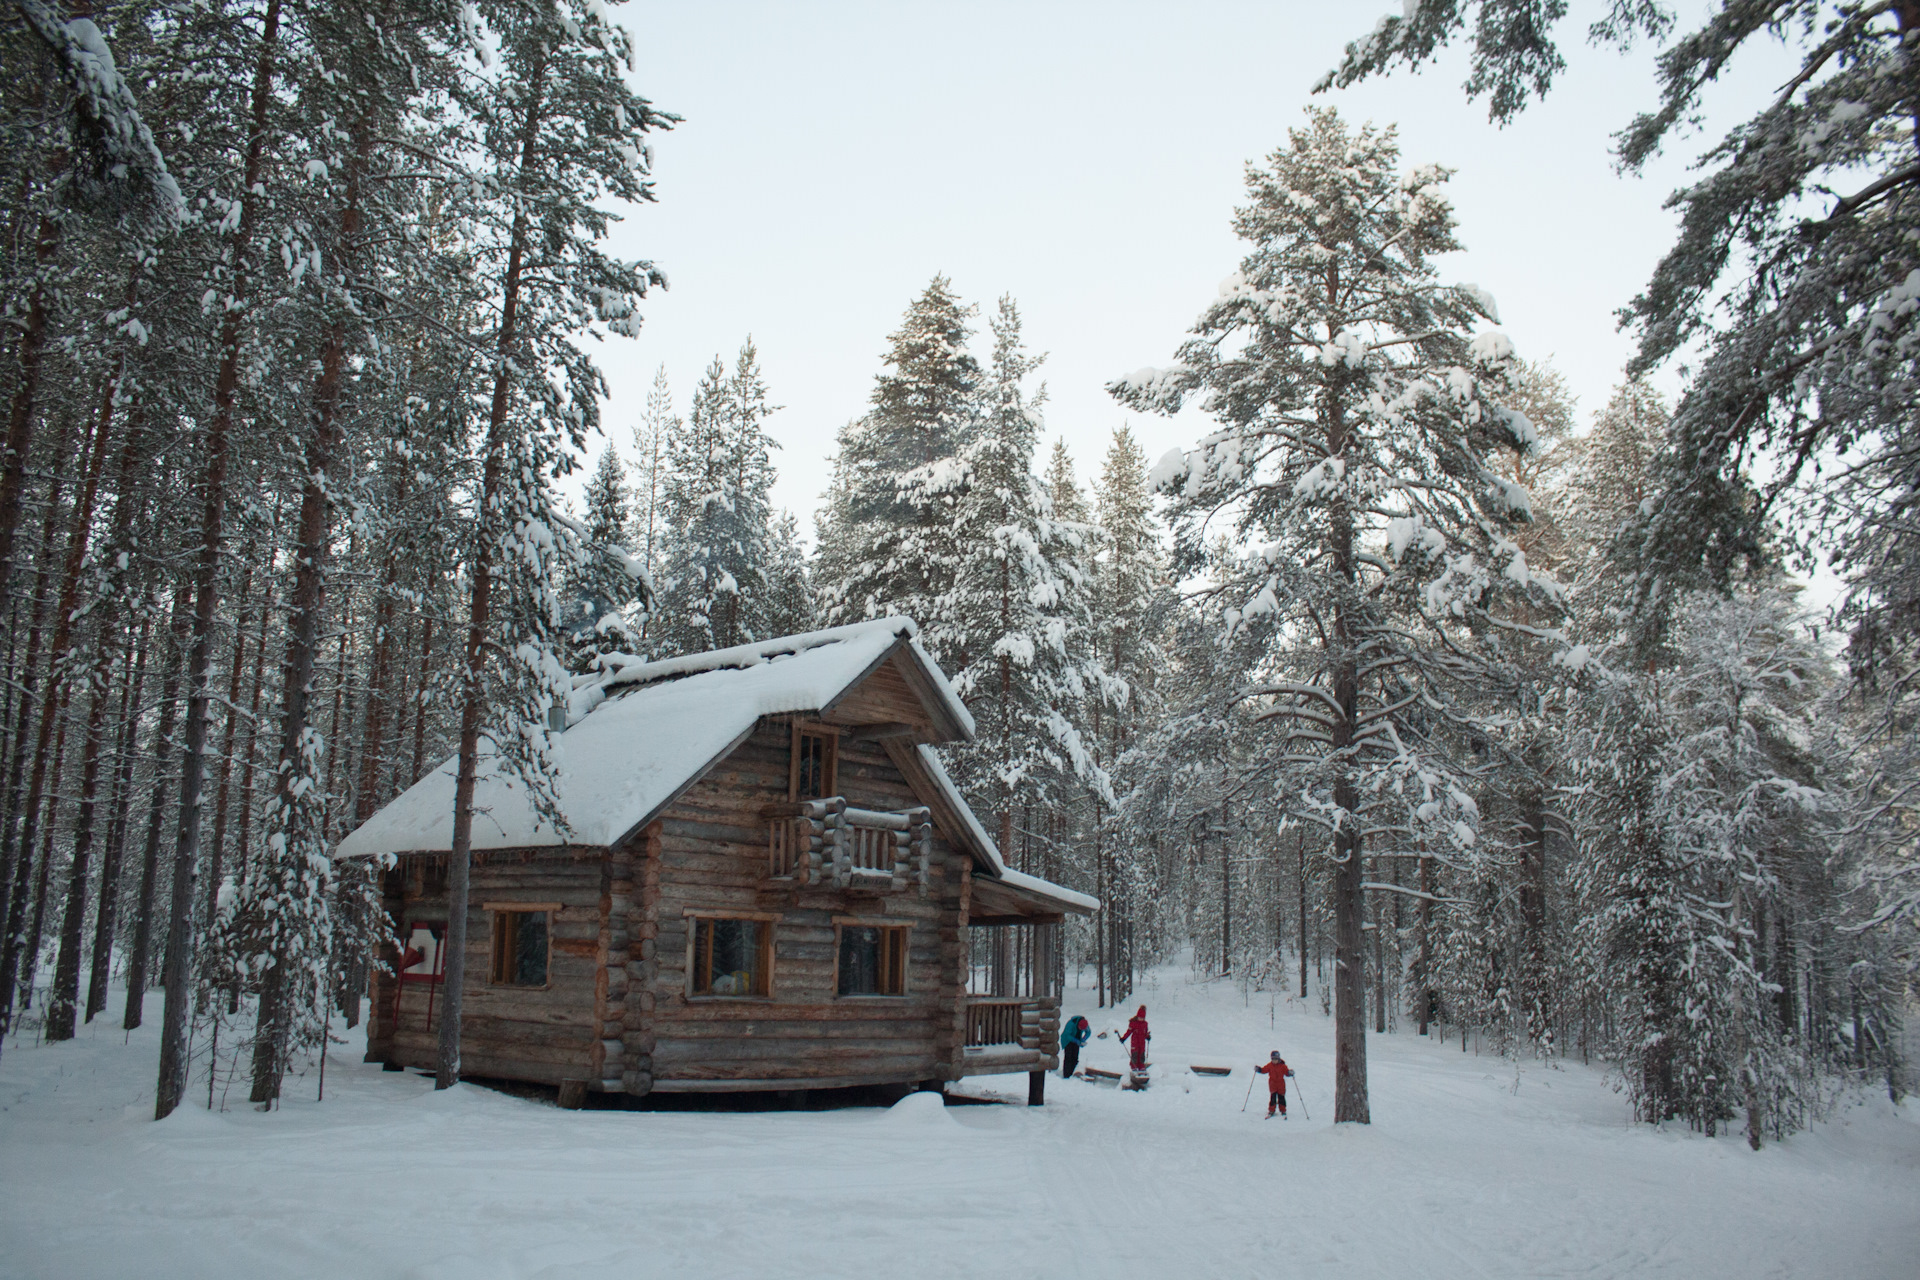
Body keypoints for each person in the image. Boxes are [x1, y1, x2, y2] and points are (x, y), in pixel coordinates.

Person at [1254, 1051, 1295, 1118]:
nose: (1274, 1060)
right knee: (1273, 1097)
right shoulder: (1270, 1065)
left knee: (1281, 1097)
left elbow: (1286, 1073)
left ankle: (1283, 1110)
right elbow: (1264, 1070)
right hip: (1272, 1084)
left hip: (1281, 1084)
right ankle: (1271, 1110)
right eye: (1273, 1059)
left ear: (1278, 1059)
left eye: (1276, 1059)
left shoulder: (1283, 1066)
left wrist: (1290, 1073)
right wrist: (1259, 1069)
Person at [1118, 1005, 1150, 1072]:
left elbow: (1145, 1032)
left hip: (1142, 1042)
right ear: (1137, 1016)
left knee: (1141, 1054)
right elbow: (1129, 1032)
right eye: (1139, 1017)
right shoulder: (1133, 1023)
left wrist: (1147, 1037)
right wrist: (1123, 1038)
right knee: (1135, 1054)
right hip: (1135, 1042)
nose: (1141, 1019)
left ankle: (1141, 1066)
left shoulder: (1145, 1024)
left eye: (1142, 1018)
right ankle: (1134, 1067)